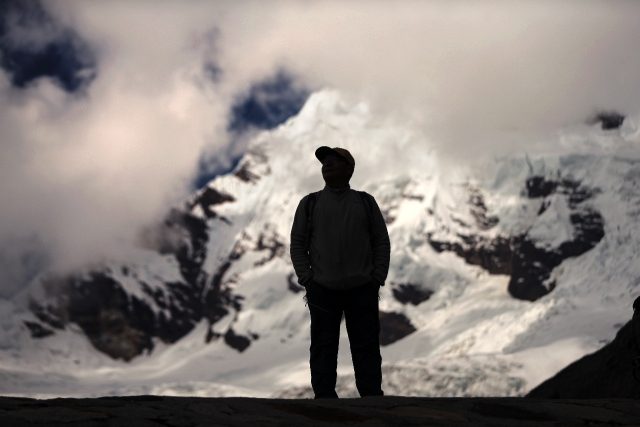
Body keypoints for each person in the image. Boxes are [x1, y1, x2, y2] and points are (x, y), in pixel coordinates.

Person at [290, 146, 391, 399]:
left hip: (362, 288)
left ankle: (371, 399)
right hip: (323, 289)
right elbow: (297, 243)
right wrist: (307, 279)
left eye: (335, 161)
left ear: (349, 168)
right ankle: (324, 400)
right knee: (324, 346)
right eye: (325, 162)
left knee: (365, 346)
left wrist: (377, 277)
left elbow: (381, 240)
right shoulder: (309, 203)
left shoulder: (366, 202)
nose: (327, 164)